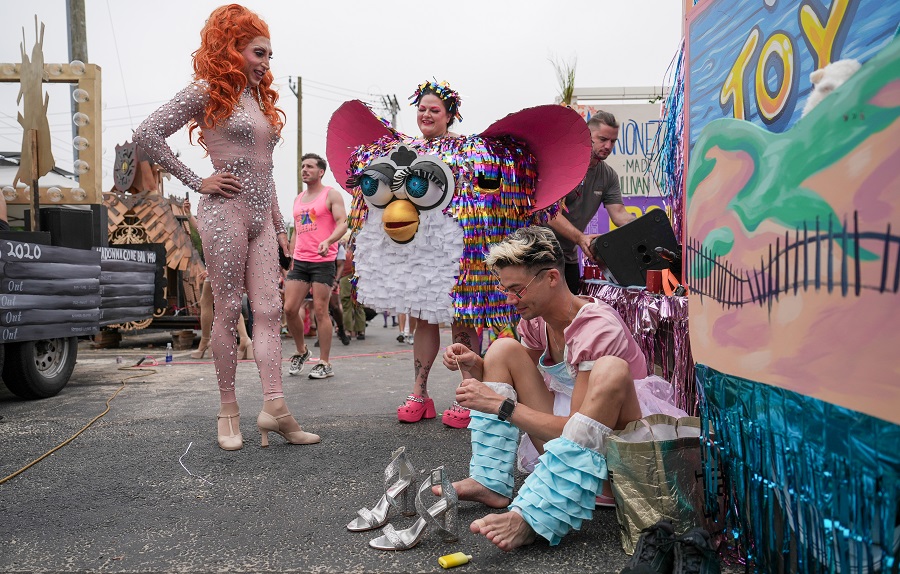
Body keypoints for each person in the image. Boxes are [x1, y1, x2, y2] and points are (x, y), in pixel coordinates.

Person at [133, 3, 319, 451]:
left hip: (260, 218)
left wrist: (278, 224)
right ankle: (228, 408)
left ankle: (275, 408)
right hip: (223, 213)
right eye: (259, 53)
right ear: (232, 49)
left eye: (270, 55)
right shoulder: (205, 90)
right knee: (229, 309)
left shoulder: (258, 100)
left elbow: (266, 169)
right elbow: (146, 134)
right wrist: (198, 180)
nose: (266, 64)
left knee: (271, 311)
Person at [441, 226, 686, 551]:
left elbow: (581, 425)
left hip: (618, 451)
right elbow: (509, 380)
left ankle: (534, 517)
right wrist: (475, 367)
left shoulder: (596, 327)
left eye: (518, 290)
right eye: (505, 289)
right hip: (568, 437)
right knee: (501, 350)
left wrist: (502, 406)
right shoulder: (535, 321)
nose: (510, 299)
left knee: (611, 370)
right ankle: (490, 479)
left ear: (552, 278)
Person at [394, 81, 478, 428]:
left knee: (463, 317)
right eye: (422, 109)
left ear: (450, 116)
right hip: (421, 246)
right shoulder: (407, 149)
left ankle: (470, 391)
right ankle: (420, 392)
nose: (426, 115)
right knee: (424, 317)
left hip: (459, 244)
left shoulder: (466, 149)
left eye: (434, 110)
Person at [547, 110, 635, 294]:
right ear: (588, 136)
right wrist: (580, 238)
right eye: (603, 139)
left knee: (570, 317)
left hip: (568, 257)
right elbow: (552, 215)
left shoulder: (608, 175)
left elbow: (619, 215)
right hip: (541, 254)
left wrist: (644, 224)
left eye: (613, 141)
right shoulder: (565, 166)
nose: (608, 146)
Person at [283, 152, 348, 379]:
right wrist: (289, 256)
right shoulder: (298, 199)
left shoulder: (331, 195)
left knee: (321, 310)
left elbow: (343, 223)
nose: (304, 169)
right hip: (300, 261)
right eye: (302, 166)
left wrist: (329, 241)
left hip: (323, 260)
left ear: (320, 172)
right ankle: (302, 351)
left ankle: (325, 362)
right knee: (290, 309)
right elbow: (296, 232)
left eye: (310, 166)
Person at [183, 197, 253, 360]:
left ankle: (209, 341)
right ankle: (243, 339)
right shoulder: (232, 215)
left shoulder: (224, 215)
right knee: (220, 302)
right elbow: (203, 231)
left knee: (215, 302)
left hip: (222, 265)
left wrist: (213, 269)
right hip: (226, 265)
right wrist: (189, 215)